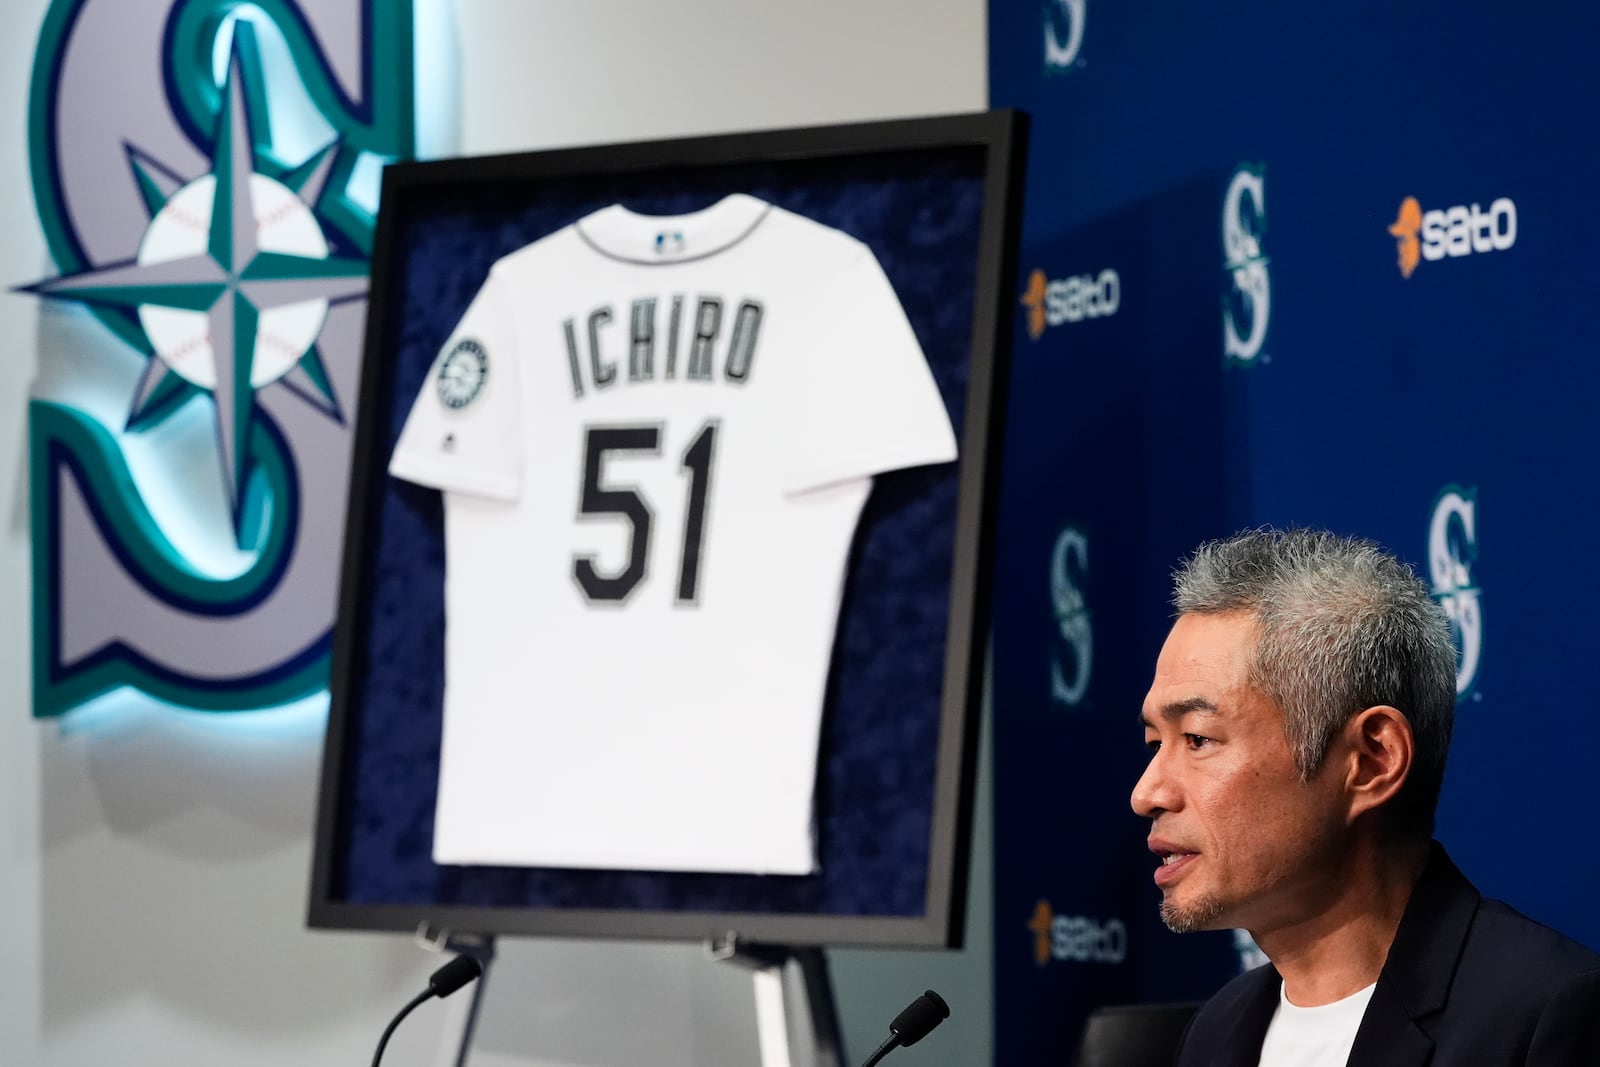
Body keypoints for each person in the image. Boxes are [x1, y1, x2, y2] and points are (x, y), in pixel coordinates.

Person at [1131, 528, 1600, 1066]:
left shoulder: (1547, 1018)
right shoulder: (1216, 1030)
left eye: (1197, 739)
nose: (1147, 794)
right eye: (1153, 743)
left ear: (1372, 760)